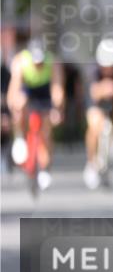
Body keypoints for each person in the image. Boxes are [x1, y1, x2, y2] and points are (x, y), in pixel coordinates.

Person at [6, 39, 65, 190]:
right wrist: (14, 111)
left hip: (44, 93)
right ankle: (20, 137)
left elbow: (57, 90)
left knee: (46, 131)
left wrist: (57, 110)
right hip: (27, 90)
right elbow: (14, 90)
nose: (38, 65)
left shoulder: (53, 63)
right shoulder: (20, 62)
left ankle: (45, 167)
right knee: (20, 102)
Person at [84, 37, 113, 189]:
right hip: (95, 105)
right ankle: (91, 162)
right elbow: (93, 93)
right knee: (94, 125)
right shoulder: (93, 69)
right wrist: (106, 88)